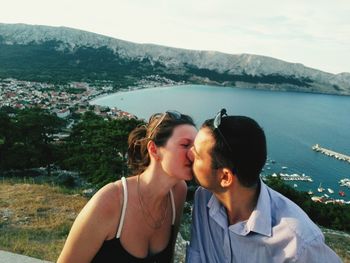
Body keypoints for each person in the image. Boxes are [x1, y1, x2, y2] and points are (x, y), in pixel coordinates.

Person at [186, 109, 341, 263]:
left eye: (197, 155)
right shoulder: (203, 200)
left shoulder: (298, 243)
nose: (189, 153)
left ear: (225, 177)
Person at [57, 110, 197, 263]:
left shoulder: (177, 192)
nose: (194, 154)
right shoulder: (110, 201)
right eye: (185, 145)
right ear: (154, 149)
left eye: (196, 147)